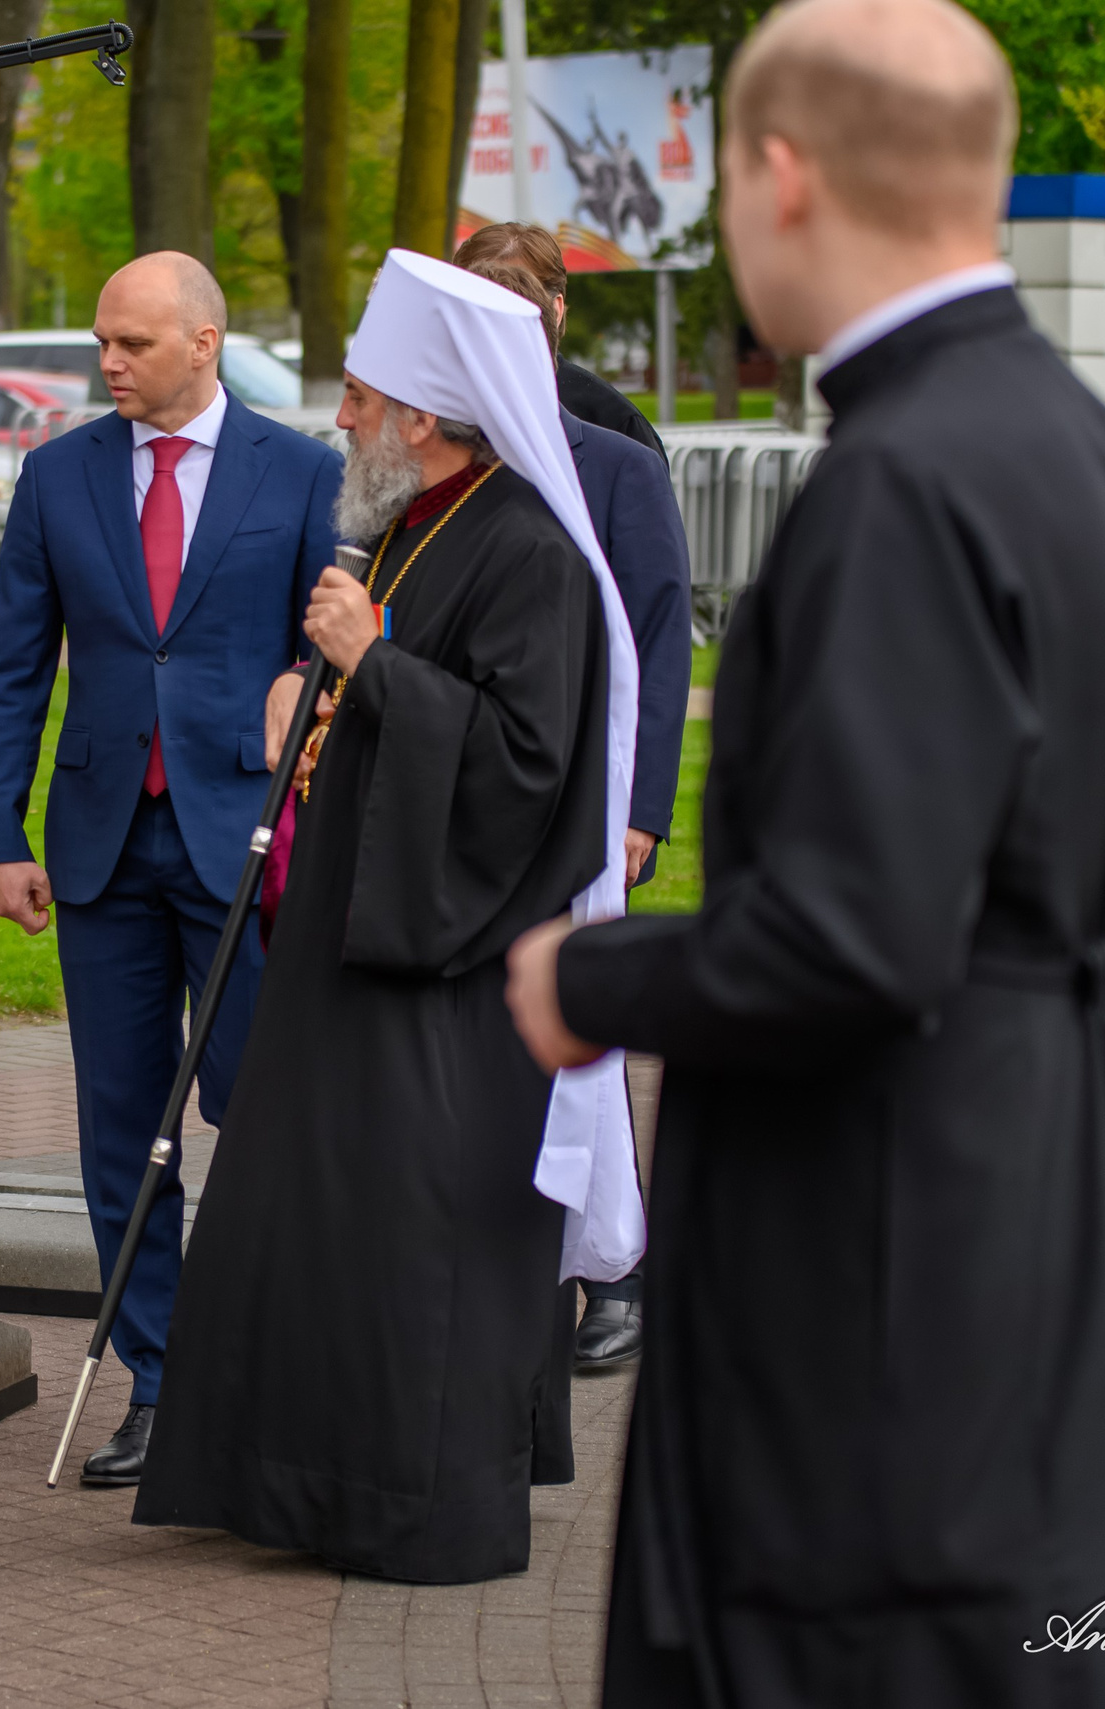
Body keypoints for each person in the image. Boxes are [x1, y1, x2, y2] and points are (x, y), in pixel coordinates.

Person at [501, 0, 1105, 1698]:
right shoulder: (1096, 461)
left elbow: (855, 937)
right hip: (1046, 1170)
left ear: (780, 178)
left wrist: (592, 970)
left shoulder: (899, 481)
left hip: (886, 1235)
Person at [133, 249, 643, 1584]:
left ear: (424, 413)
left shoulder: (529, 547)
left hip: (450, 974)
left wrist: (376, 666)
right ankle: (294, 1483)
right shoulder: (421, 521)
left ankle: (408, 1507)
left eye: (360, 396)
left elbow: (524, 768)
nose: (342, 419)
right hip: (359, 946)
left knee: (418, 1246)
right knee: (320, 1220)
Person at [0, 252, 342, 1488]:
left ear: (205, 340)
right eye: (98, 344)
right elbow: (13, 667)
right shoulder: (60, 475)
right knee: (123, 1126)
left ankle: (270, 1362)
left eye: (129, 344)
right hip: (98, 851)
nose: (106, 366)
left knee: (259, 1103)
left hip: (243, 844)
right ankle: (160, 1380)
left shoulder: (300, 474)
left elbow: (327, 665)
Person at [458, 253, 694, 1371]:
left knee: (579, 1030)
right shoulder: (449, 454)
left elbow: (656, 637)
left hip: (592, 795)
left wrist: (644, 806)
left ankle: (615, 1268)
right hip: (477, 785)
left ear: (554, 314)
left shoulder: (616, 458)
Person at [452, 220, 664, 454]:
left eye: (513, 298)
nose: (491, 320)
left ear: (555, 310)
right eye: (474, 301)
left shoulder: (615, 423)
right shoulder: (430, 415)